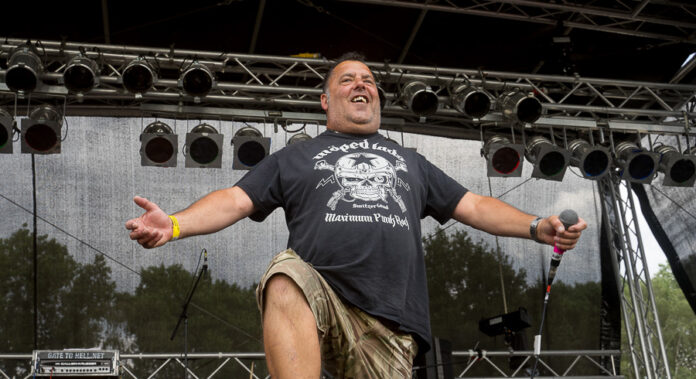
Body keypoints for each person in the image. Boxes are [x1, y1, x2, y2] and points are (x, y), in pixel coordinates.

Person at [126, 52, 587, 379]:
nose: (361, 84)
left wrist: (536, 226)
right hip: (321, 294)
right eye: (347, 80)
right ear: (326, 101)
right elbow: (233, 199)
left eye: (367, 80)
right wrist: (176, 224)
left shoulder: (411, 163)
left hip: (390, 322)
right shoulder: (296, 157)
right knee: (285, 276)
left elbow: (476, 206)